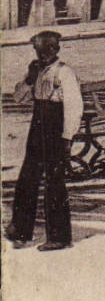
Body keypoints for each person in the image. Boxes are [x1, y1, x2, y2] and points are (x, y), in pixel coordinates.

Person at [6, 31, 82, 250]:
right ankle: (20, 228)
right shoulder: (37, 71)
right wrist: (29, 79)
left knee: (54, 182)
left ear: (53, 49)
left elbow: (74, 108)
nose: (39, 55)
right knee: (27, 178)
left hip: (55, 130)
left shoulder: (64, 73)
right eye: (37, 51)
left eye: (43, 50)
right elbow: (18, 98)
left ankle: (59, 237)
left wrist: (67, 137)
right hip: (37, 128)